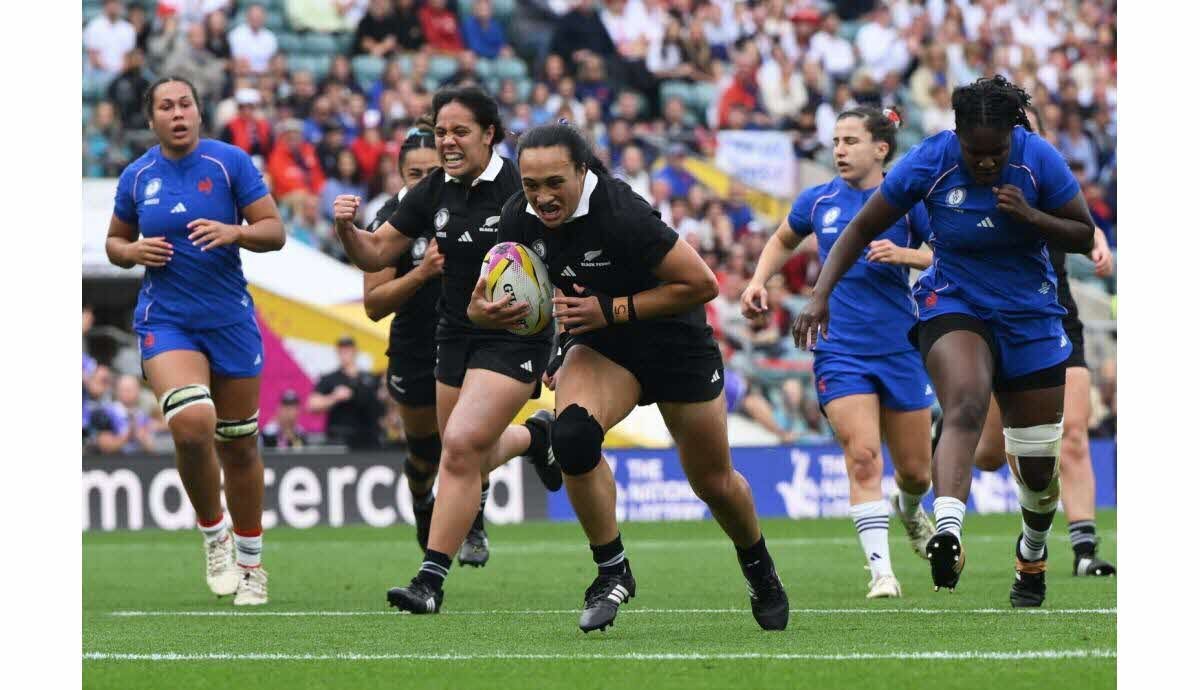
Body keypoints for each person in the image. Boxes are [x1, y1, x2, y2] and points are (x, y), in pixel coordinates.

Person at [793, 76, 1096, 607]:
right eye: (975, 152)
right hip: (953, 301)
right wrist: (820, 295)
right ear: (956, 135)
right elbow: (861, 228)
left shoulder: (1038, 159)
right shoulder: (929, 161)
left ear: (1013, 136)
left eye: (996, 152)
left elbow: (1084, 235)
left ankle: (1032, 552)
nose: (985, 163)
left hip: (1031, 315)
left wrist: (1032, 216)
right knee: (965, 403)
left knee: (1038, 466)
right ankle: (949, 531)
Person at [477, 122, 789, 632]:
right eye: (531, 185)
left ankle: (758, 567)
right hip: (601, 347)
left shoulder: (622, 213)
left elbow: (701, 284)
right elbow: (512, 291)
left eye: (554, 182)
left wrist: (611, 310)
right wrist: (486, 312)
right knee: (574, 437)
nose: (541, 196)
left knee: (712, 482)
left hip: (675, 345)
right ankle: (611, 569)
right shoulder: (519, 217)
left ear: (582, 170)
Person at [331, 87, 561, 610]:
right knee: (463, 455)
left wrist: (565, 337)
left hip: (515, 337)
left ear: (489, 134)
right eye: (441, 133)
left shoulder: (521, 185)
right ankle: (534, 438)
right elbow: (374, 253)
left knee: (457, 445)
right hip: (453, 335)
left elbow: (564, 255)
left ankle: (428, 581)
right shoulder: (433, 188)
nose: (448, 141)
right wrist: (346, 229)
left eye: (460, 131)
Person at [105, 76, 285, 605]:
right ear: (153, 118)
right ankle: (214, 534)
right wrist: (131, 252)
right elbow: (115, 243)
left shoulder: (229, 163)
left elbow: (274, 231)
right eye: (166, 106)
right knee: (190, 423)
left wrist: (237, 233)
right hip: (168, 319)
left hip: (230, 319)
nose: (178, 113)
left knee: (239, 444)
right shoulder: (137, 176)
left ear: (199, 113)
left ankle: (252, 567)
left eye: (186, 103)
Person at [743, 107, 936, 599]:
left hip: (900, 347)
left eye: (851, 140)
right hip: (839, 349)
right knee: (864, 455)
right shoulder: (819, 199)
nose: (840, 150)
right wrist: (757, 280)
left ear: (880, 149)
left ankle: (911, 509)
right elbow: (783, 238)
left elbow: (946, 252)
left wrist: (907, 255)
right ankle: (881, 573)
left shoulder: (907, 201)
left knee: (916, 471)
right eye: (835, 141)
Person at [950, 106, 1117, 578]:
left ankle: (1084, 549)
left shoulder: (1051, 180)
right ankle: (952, 440)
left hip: (1059, 322)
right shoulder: (976, 187)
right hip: (1001, 328)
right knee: (987, 456)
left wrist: (1098, 242)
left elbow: (1083, 224)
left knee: (1076, 436)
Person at [361, 122, 449, 551]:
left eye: (434, 172)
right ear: (400, 176)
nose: (426, 182)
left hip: (468, 343)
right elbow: (374, 304)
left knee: (467, 438)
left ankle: (473, 525)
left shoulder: (469, 206)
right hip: (414, 349)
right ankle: (420, 498)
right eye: (416, 174)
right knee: (425, 453)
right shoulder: (389, 222)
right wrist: (422, 273)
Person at [307, 336, 384, 449]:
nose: (345, 353)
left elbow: (381, 404)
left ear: (355, 351)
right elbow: (311, 405)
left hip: (369, 438)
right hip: (339, 439)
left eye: (348, 350)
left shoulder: (370, 378)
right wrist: (334, 397)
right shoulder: (330, 378)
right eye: (342, 350)